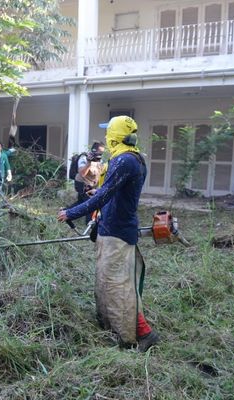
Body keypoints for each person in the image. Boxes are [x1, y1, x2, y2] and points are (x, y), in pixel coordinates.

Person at [57, 115, 160, 352]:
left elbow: (105, 196)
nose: (104, 136)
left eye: (107, 132)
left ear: (113, 136)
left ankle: (135, 337)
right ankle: (111, 326)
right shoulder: (128, 158)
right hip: (111, 228)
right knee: (106, 282)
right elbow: (110, 193)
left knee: (118, 286)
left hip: (117, 233)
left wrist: (71, 212)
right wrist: (98, 193)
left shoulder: (125, 161)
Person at [72, 141, 105, 223]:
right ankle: (89, 222)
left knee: (81, 203)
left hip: (92, 185)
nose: (101, 154)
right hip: (82, 184)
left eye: (102, 152)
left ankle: (65, 213)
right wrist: (88, 162)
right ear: (94, 150)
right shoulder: (84, 158)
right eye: (100, 152)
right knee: (91, 203)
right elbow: (82, 173)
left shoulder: (99, 160)